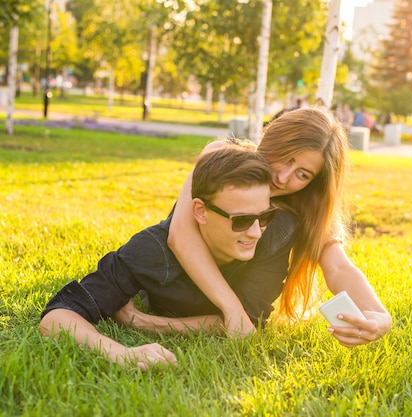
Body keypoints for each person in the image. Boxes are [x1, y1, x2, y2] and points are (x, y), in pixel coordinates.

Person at [125, 106, 392, 349]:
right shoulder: (220, 157)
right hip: (171, 284)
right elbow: (181, 236)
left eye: (303, 174)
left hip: (241, 305)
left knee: (285, 223)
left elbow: (338, 265)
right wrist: (233, 311)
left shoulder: (302, 209)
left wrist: (380, 316)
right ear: (272, 138)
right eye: (286, 157)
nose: (283, 177)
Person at [40, 143, 281, 370]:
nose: (256, 231)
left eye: (265, 216)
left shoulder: (273, 240)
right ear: (200, 211)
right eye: (241, 220)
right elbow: (58, 316)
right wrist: (122, 353)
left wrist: (141, 321)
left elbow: (248, 322)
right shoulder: (152, 251)